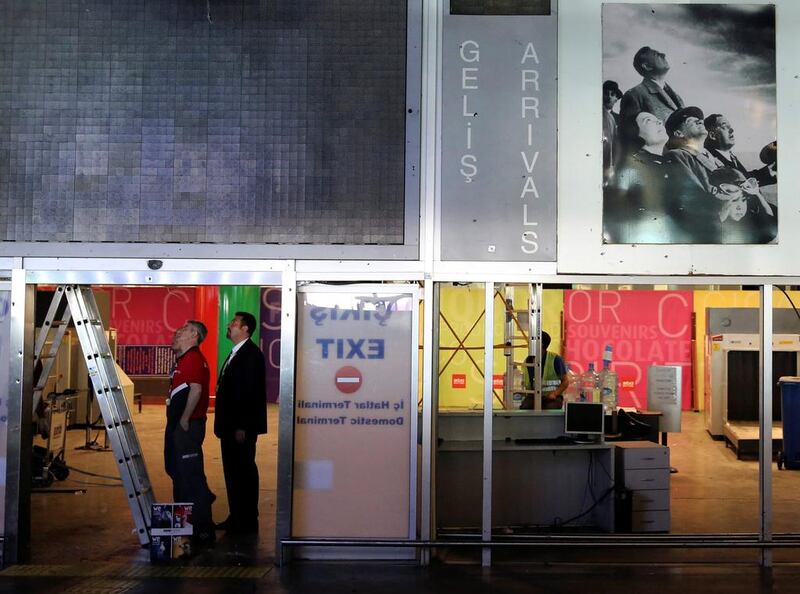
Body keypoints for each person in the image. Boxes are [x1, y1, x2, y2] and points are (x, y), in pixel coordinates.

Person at [214, 311, 267, 535]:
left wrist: (242, 426)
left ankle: (245, 516)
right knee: (234, 471)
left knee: (243, 470)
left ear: (245, 329)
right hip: (230, 426)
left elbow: (249, 394)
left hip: (239, 428)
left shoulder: (250, 355)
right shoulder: (236, 353)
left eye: (234, 323)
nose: (230, 325)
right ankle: (237, 514)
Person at [164, 320, 215, 547]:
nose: (178, 332)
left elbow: (196, 388)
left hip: (188, 426)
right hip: (181, 426)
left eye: (183, 330)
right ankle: (188, 523)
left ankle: (201, 527)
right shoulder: (184, 359)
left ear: (194, 335)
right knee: (179, 472)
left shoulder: (193, 358)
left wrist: (185, 418)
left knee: (190, 477)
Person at [605, 111, 682, 243]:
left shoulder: (672, 163)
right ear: (635, 133)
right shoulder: (631, 168)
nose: (659, 122)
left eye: (657, 119)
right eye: (648, 121)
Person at [662, 106, 725, 243]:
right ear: (678, 133)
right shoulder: (677, 155)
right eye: (690, 121)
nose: (699, 121)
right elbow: (695, 196)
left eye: (700, 119)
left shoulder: (713, 157)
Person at [619, 46, 684, 152]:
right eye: (656, 54)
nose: (663, 54)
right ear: (647, 66)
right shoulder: (634, 95)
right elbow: (628, 139)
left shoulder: (677, 97)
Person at [704, 113, 776, 187]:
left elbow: (743, 178)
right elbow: (738, 186)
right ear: (713, 135)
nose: (732, 130)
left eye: (730, 127)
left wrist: (769, 171)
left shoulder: (730, 157)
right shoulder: (710, 161)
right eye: (724, 127)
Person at [708, 167, 777, 244]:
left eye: (744, 200)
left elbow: (770, 228)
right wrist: (721, 218)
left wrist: (757, 194)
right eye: (734, 200)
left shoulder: (750, 224)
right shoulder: (713, 225)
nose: (739, 207)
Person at [520, 331, 568, 410]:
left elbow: (565, 381)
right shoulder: (527, 361)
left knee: (549, 408)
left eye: (532, 340)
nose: (528, 343)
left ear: (541, 344)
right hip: (533, 396)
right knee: (525, 407)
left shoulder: (555, 359)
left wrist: (555, 394)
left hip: (551, 397)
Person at [602, 80, 623, 184]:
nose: (609, 97)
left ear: (616, 99)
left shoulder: (620, 120)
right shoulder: (593, 116)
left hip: (613, 163)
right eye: (606, 93)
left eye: (612, 94)